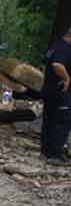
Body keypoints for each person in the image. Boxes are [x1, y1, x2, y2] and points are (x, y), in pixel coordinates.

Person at [41, 25, 71, 164]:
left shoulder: (56, 45)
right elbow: (57, 65)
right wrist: (66, 78)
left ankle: (46, 151)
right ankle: (55, 154)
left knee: (49, 120)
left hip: (50, 90)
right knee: (61, 122)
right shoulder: (64, 48)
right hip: (61, 91)